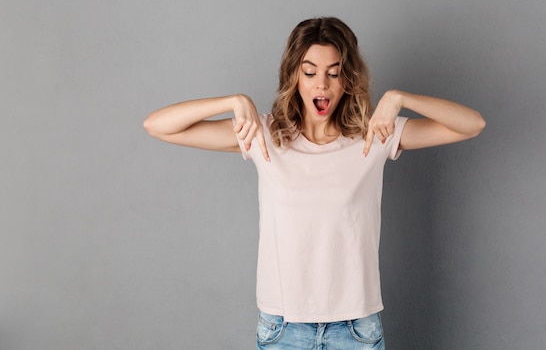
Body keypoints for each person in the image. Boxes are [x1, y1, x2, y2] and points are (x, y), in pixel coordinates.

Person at [143, 17, 485, 349]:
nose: (321, 84)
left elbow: (472, 125)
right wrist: (233, 102)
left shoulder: (376, 134)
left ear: (348, 79)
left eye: (333, 73)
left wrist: (399, 98)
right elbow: (157, 125)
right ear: (294, 76)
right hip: (282, 327)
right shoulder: (264, 136)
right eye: (309, 72)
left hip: (356, 329)